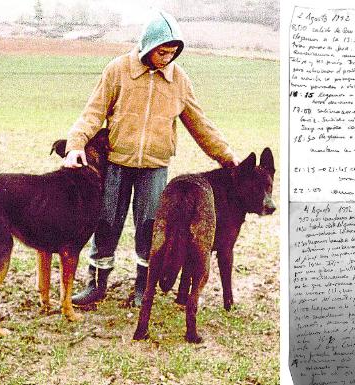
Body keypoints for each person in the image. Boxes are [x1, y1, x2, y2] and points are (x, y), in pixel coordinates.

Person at [64, 10, 239, 307]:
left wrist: (227, 157)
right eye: (162, 51)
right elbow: (93, 113)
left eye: (173, 53)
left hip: (155, 167)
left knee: (150, 228)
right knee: (107, 222)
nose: (167, 58)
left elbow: (199, 123)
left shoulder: (179, 81)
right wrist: (75, 144)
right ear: (147, 46)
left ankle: (143, 287)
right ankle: (96, 283)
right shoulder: (117, 70)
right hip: (118, 162)